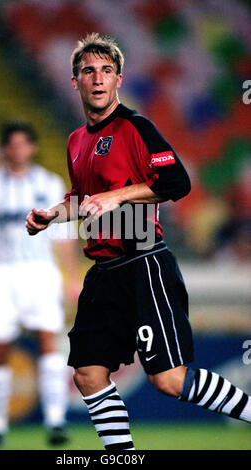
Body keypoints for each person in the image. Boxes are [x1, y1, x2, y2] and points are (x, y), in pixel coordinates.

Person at [26, 34, 251, 451]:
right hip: (102, 274)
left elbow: (176, 182)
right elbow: (83, 199)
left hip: (143, 263)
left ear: (118, 80)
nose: (97, 79)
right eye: (88, 71)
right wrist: (52, 215)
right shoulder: (77, 140)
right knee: (88, 374)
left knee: (169, 380)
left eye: (106, 71)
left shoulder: (136, 127)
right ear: (74, 81)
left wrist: (119, 194)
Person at [0, 121, 80, 447]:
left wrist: (72, 276)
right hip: (0, 272)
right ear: (5, 149)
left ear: (32, 148)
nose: (18, 150)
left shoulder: (48, 184)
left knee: (48, 342)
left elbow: (64, 235)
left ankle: (55, 421)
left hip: (39, 269)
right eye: (12, 144)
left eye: (24, 144)